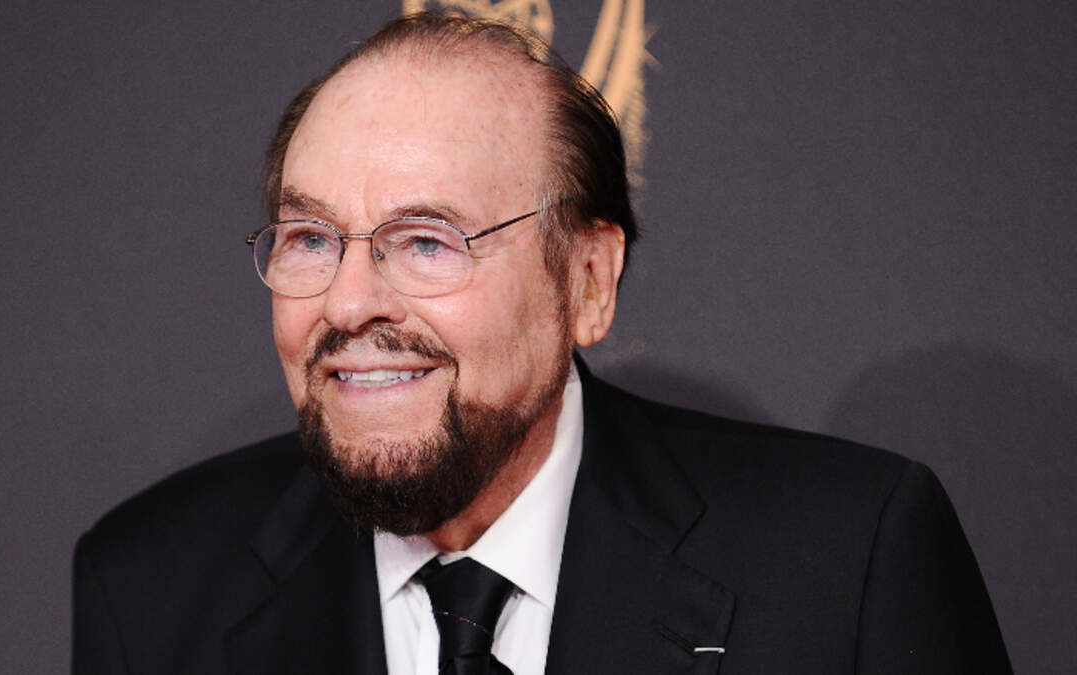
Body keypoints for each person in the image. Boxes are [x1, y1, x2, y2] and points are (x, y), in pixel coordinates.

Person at [72, 13, 1010, 675]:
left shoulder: (847, 564)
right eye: (312, 238)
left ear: (588, 282)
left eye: (427, 241)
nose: (348, 301)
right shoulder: (149, 590)